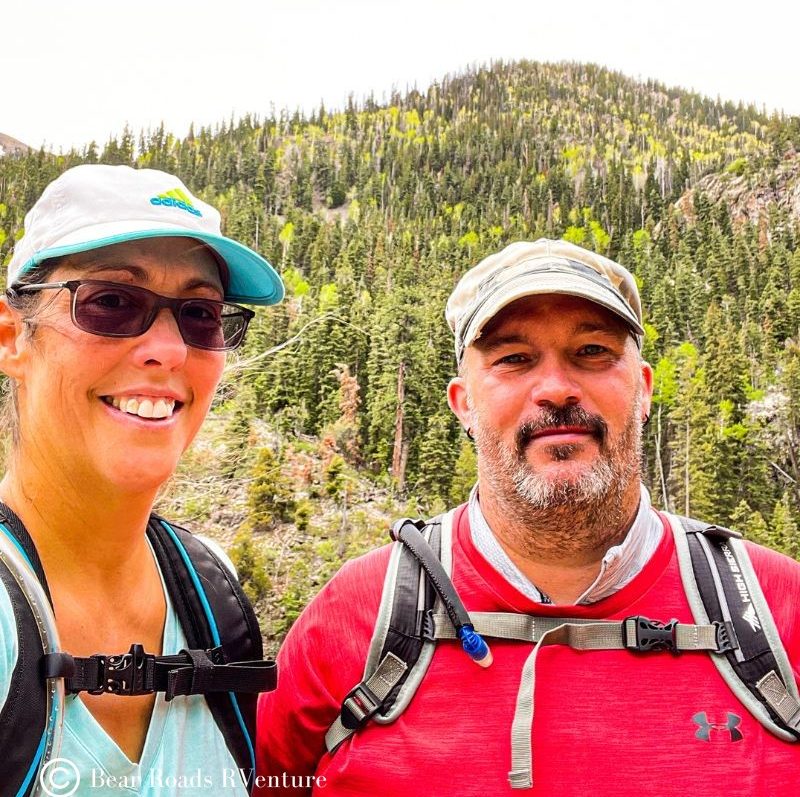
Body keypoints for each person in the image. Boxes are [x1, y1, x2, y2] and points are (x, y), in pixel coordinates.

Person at [256, 238, 800, 796]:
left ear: (642, 390)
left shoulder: (782, 611)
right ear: (464, 404)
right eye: (514, 358)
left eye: (592, 351)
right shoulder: (353, 616)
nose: (557, 390)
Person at [0, 164, 283, 796]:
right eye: (111, 303)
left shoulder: (209, 593)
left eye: (200, 314)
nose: (170, 349)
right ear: (12, 337)